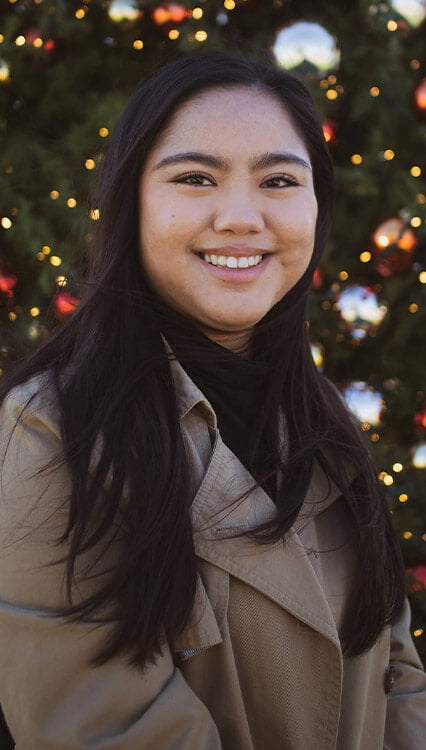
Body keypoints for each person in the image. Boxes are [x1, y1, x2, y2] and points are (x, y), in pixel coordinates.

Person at [0, 52, 425, 750]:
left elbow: (398, 674)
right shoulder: (52, 432)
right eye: (195, 178)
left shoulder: (323, 419)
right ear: (132, 200)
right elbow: (110, 729)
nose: (239, 217)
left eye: (279, 180)